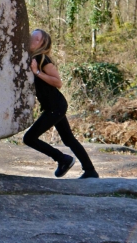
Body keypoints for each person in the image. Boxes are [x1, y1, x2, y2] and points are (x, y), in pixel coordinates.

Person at [23, 28, 99, 179]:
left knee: (29, 138)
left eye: (37, 39)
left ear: (42, 44)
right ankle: (90, 171)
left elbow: (58, 82)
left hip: (55, 106)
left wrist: (37, 72)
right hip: (53, 106)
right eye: (32, 37)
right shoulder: (32, 58)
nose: (33, 40)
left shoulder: (42, 59)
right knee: (68, 139)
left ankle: (62, 159)